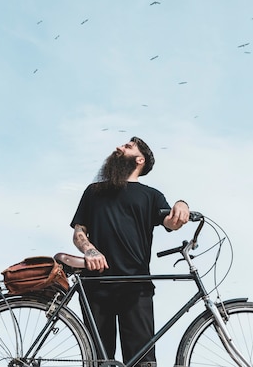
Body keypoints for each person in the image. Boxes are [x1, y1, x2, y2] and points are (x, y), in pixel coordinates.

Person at [70, 136, 190, 367]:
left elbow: (171, 221)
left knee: (143, 362)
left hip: (137, 287)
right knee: (97, 361)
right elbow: (78, 233)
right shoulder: (94, 191)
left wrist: (182, 205)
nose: (118, 147)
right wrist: (90, 250)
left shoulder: (151, 196)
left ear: (139, 159)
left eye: (127, 146)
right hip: (96, 285)